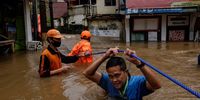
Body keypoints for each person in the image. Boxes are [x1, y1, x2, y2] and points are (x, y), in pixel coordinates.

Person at [83, 48, 161, 100]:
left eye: (117, 75)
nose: (114, 80)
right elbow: (87, 73)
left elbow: (156, 85)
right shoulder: (107, 81)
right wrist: (105, 56)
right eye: (110, 76)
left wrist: (138, 63)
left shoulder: (137, 83)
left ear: (126, 72)